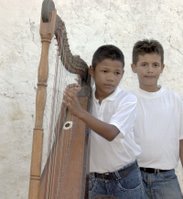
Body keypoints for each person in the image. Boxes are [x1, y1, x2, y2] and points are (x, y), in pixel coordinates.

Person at [63, 44, 145, 199]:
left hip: (126, 178)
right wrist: (67, 104)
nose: (111, 78)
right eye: (105, 71)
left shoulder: (127, 100)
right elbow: (64, 131)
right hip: (95, 181)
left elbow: (111, 133)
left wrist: (80, 112)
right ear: (92, 71)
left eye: (117, 73)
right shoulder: (83, 98)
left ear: (122, 74)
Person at [131, 39, 183, 199]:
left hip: (166, 178)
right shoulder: (127, 100)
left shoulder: (175, 100)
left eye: (155, 65)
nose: (150, 70)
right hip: (133, 177)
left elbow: (181, 140)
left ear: (162, 68)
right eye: (144, 64)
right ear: (134, 67)